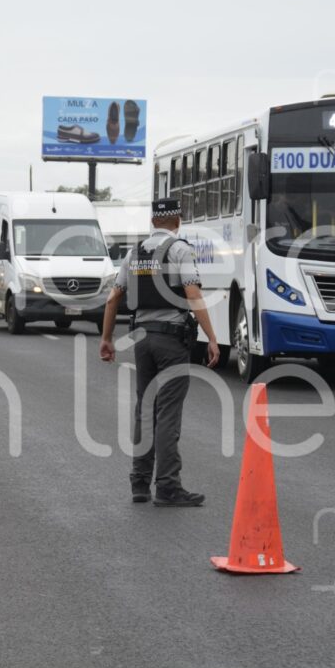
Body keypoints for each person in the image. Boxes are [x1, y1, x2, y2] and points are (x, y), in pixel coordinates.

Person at [99, 198, 220, 507]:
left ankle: (139, 483)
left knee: (145, 409)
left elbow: (113, 299)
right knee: (167, 413)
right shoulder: (180, 250)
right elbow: (192, 294)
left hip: (142, 342)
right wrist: (212, 337)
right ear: (177, 220)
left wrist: (106, 338)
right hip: (171, 342)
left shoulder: (134, 254)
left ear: (153, 221)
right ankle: (167, 485)